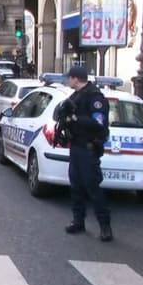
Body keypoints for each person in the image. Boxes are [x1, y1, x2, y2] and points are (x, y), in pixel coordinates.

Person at [61, 65, 113, 242]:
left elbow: (98, 122)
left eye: (69, 78)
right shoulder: (75, 96)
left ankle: (105, 226)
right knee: (76, 187)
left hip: (88, 148)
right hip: (76, 146)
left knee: (93, 188)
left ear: (76, 78)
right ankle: (78, 221)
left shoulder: (94, 97)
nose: (68, 80)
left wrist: (75, 118)